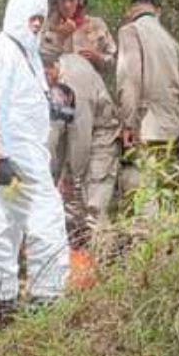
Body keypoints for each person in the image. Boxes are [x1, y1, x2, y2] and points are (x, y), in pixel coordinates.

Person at [0, 0, 70, 322]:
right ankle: (45, 296)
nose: (36, 25)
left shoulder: (26, 52)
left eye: (40, 20)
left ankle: (1, 297)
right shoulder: (4, 49)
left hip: (27, 153)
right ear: (17, 13)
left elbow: (26, 100)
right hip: (16, 156)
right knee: (46, 218)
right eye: (32, 18)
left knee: (6, 220)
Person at [41, 36, 121, 247]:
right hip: (79, 136)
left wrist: (70, 176)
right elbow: (54, 132)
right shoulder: (58, 75)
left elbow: (81, 137)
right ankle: (75, 252)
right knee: (69, 204)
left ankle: (103, 255)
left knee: (93, 205)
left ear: (49, 70)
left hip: (101, 136)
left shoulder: (75, 84)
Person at [116, 0, 179, 197]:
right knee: (164, 187)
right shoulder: (171, 41)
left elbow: (130, 80)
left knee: (142, 188)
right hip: (170, 123)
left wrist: (128, 124)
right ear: (157, 11)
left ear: (130, 11)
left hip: (145, 122)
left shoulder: (131, 31)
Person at [43, 0, 116, 75]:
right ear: (56, 1)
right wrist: (60, 37)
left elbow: (113, 62)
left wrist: (98, 58)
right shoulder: (46, 27)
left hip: (89, 83)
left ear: (80, 1)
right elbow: (41, 60)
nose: (67, 5)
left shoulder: (96, 26)